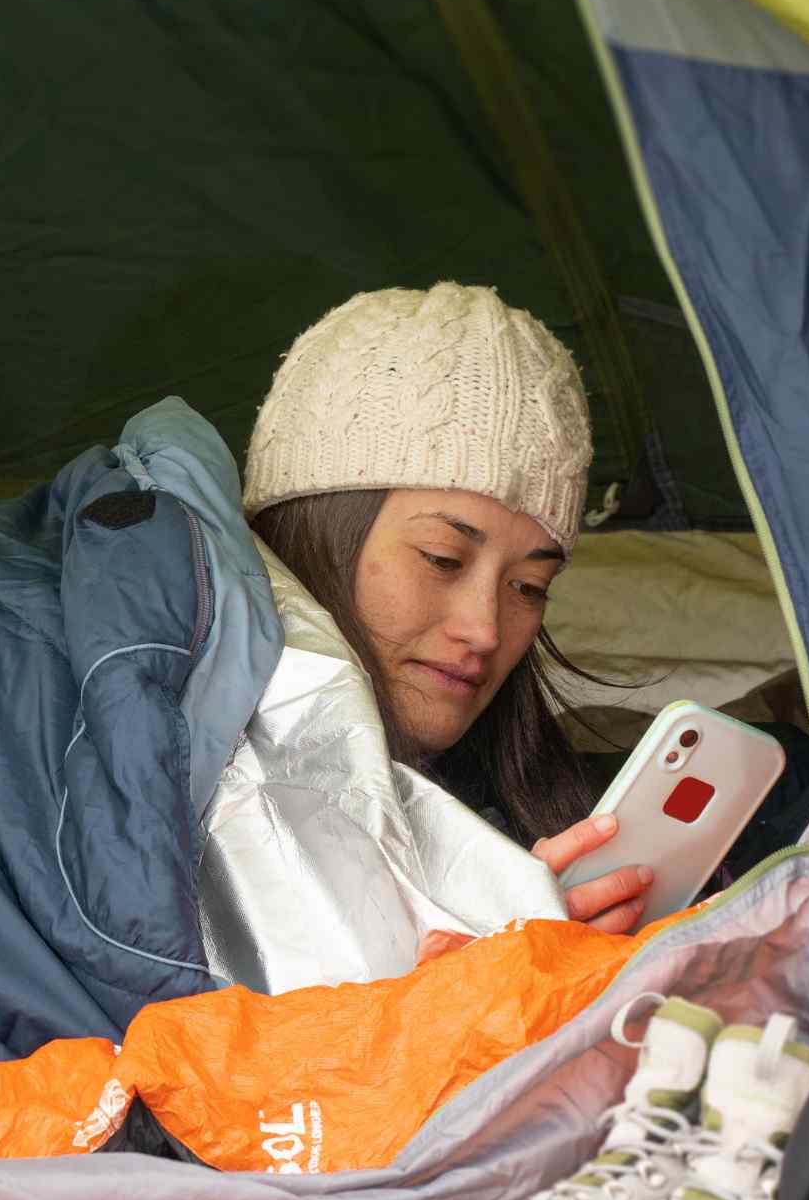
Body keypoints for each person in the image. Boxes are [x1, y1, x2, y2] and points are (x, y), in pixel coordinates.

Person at [240, 281, 654, 937]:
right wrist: (469, 993)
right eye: (442, 558)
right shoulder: (168, 786)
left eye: (528, 587)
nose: (486, 631)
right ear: (312, 535)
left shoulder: (531, 807)